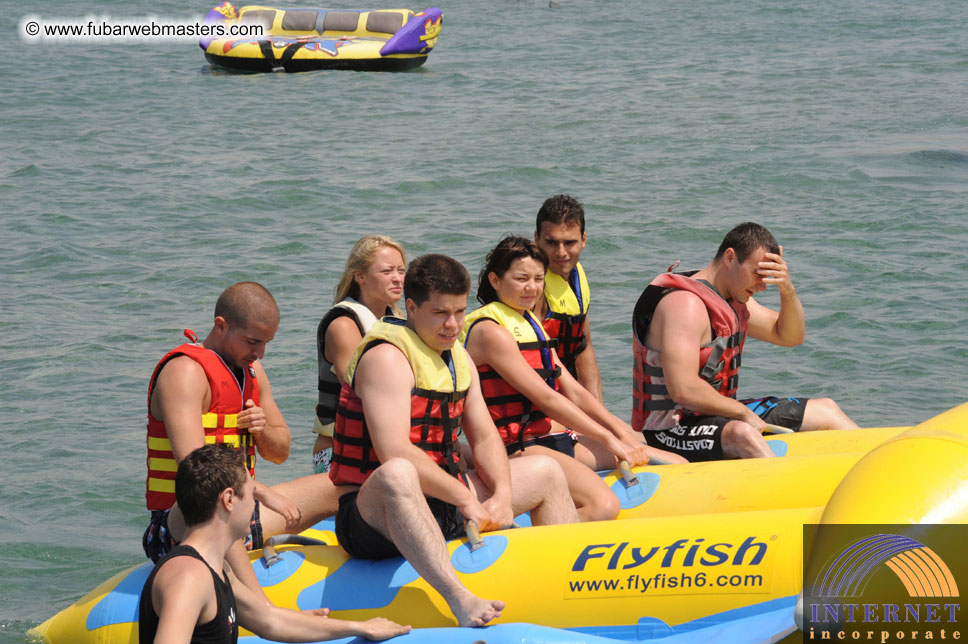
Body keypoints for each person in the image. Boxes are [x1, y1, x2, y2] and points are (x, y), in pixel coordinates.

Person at [329, 254, 578, 627]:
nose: (453, 324)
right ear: (411, 308)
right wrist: (466, 498)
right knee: (397, 472)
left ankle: (570, 585)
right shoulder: (387, 358)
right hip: (375, 516)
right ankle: (459, 599)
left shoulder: (456, 356)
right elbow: (393, 450)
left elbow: (484, 436)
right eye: (440, 313)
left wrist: (502, 497)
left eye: (460, 312)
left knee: (546, 471)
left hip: (440, 501)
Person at [144, 281, 351, 598]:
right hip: (183, 524)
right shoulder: (183, 371)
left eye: (266, 343)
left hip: (241, 515)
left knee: (344, 484)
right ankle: (259, 606)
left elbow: (280, 451)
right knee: (214, 497)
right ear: (221, 326)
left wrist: (262, 429)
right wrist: (263, 492)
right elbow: (198, 467)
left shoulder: (253, 373)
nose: (260, 353)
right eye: (253, 342)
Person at [461, 237, 685, 522]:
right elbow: (546, 397)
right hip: (521, 449)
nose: (532, 287)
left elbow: (573, 391)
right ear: (495, 280)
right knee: (604, 505)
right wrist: (607, 437)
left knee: (675, 464)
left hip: (558, 439)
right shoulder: (489, 331)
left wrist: (618, 429)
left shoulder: (531, 323)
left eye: (538, 279)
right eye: (521, 279)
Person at [631, 222, 860, 461]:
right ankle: (785, 490)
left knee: (826, 410)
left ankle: (877, 472)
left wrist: (787, 290)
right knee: (743, 434)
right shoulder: (685, 305)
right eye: (757, 275)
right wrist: (742, 413)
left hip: (717, 416)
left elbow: (790, 336)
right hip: (668, 430)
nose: (762, 287)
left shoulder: (734, 300)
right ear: (730, 257)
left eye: (768, 278)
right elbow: (683, 388)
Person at [139, 443, 410, 644]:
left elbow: (270, 621)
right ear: (229, 500)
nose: (256, 505)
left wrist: (361, 627)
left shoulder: (217, 572)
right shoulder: (188, 576)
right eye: (252, 494)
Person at [313, 236, 406, 473]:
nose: (397, 278)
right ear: (360, 276)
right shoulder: (343, 324)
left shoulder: (398, 322)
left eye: (401, 270)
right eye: (387, 271)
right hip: (337, 451)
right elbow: (358, 388)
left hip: (380, 445)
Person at [533, 195, 603, 401]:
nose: (561, 253)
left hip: (569, 394)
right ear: (536, 239)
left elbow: (584, 345)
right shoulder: (533, 287)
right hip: (539, 398)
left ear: (583, 240)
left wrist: (598, 407)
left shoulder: (577, 276)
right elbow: (533, 360)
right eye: (551, 242)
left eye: (569, 242)